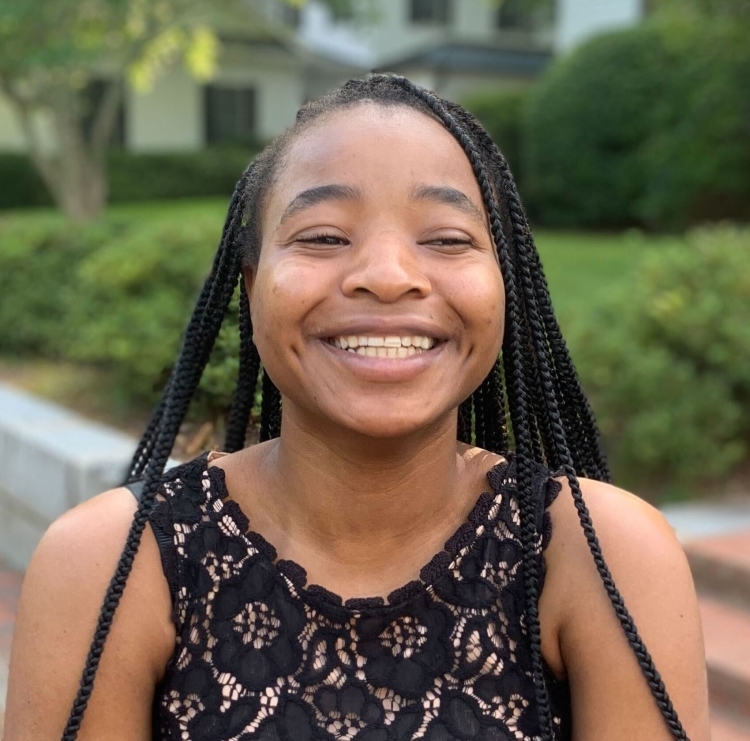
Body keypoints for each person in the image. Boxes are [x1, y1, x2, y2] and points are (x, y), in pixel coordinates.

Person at [5, 75, 708, 741]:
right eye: (323, 236)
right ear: (251, 288)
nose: (387, 276)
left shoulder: (602, 558)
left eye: (446, 238)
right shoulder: (109, 567)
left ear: (507, 283)